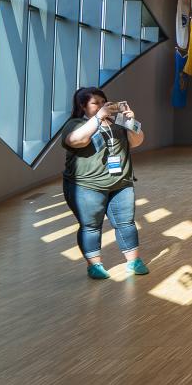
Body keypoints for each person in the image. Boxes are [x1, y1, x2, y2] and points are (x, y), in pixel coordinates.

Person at [60, 87, 148, 280]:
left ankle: (133, 261)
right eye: (95, 103)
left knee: (126, 223)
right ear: (82, 106)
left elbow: (137, 141)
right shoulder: (74, 124)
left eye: (103, 102)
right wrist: (98, 119)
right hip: (87, 186)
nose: (101, 106)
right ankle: (94, 265)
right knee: (90, 226)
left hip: (121, 183)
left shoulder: (118, 122)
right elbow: (77, 140)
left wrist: (130, 121)